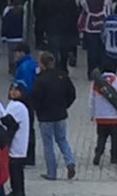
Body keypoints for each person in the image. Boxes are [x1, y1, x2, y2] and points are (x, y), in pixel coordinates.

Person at [29, 52, 77, 181]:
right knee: (62, 139)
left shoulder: (40, 79)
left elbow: (35, 98)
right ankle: (70, 161)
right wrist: (65, 106)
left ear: (42, 64)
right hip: (60, 114)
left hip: (45, 116)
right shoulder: (62, 75)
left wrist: (37, 110)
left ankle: (52, 173)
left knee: (48, 144)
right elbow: (72, 93)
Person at [89, 60, 117, 166]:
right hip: (114, 118)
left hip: (100, 117)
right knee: (115, 138)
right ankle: (114, 157)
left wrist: (92, 114)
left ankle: (98, 153)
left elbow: (91, 100)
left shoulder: (96, 83)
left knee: (101, 137)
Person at [3, 80, 31, 196]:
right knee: (16, 173)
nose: (13, 92)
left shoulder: (18, 106)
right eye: (11, 89)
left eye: (16, 90)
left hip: (16, 148)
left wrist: (6, 145)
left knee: (16, 174)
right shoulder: (15, 104)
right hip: (17, 148)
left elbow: (11, 126)